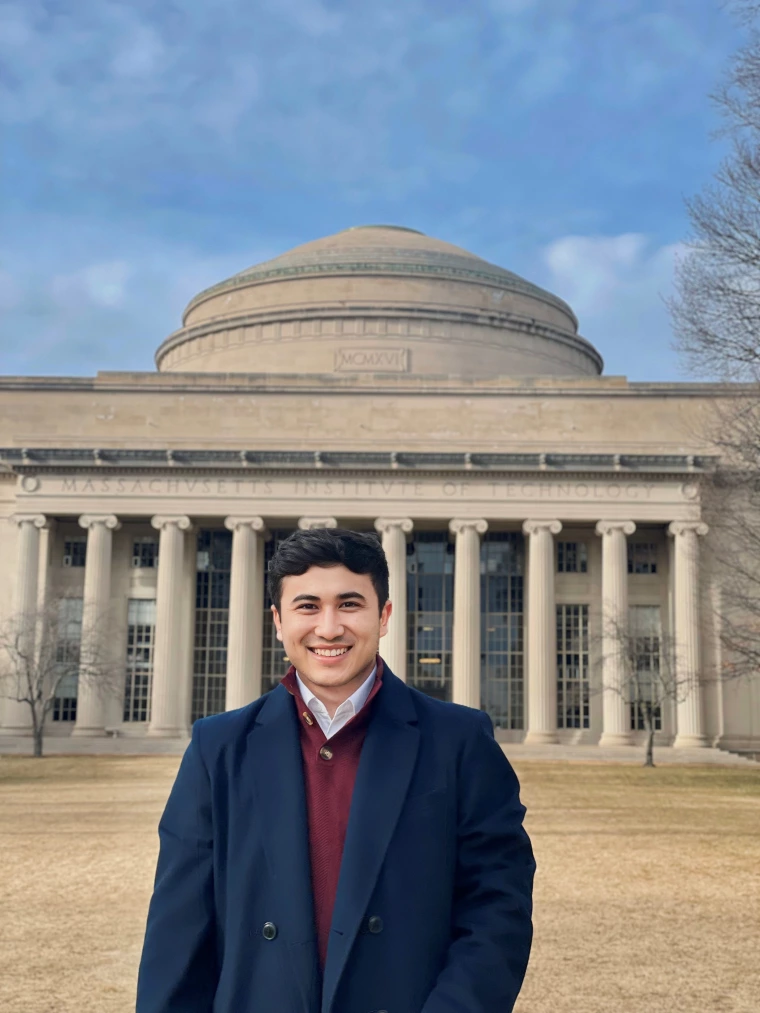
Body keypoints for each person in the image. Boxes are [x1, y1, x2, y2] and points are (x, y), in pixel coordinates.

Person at [136, 527, 535, 1013]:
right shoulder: (218, 748)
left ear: (383, 616)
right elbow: (178, 934)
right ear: (278, 621)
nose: (328, 628)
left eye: (349, 604)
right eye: (307, 607)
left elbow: (496, 913)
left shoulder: (460, 741)